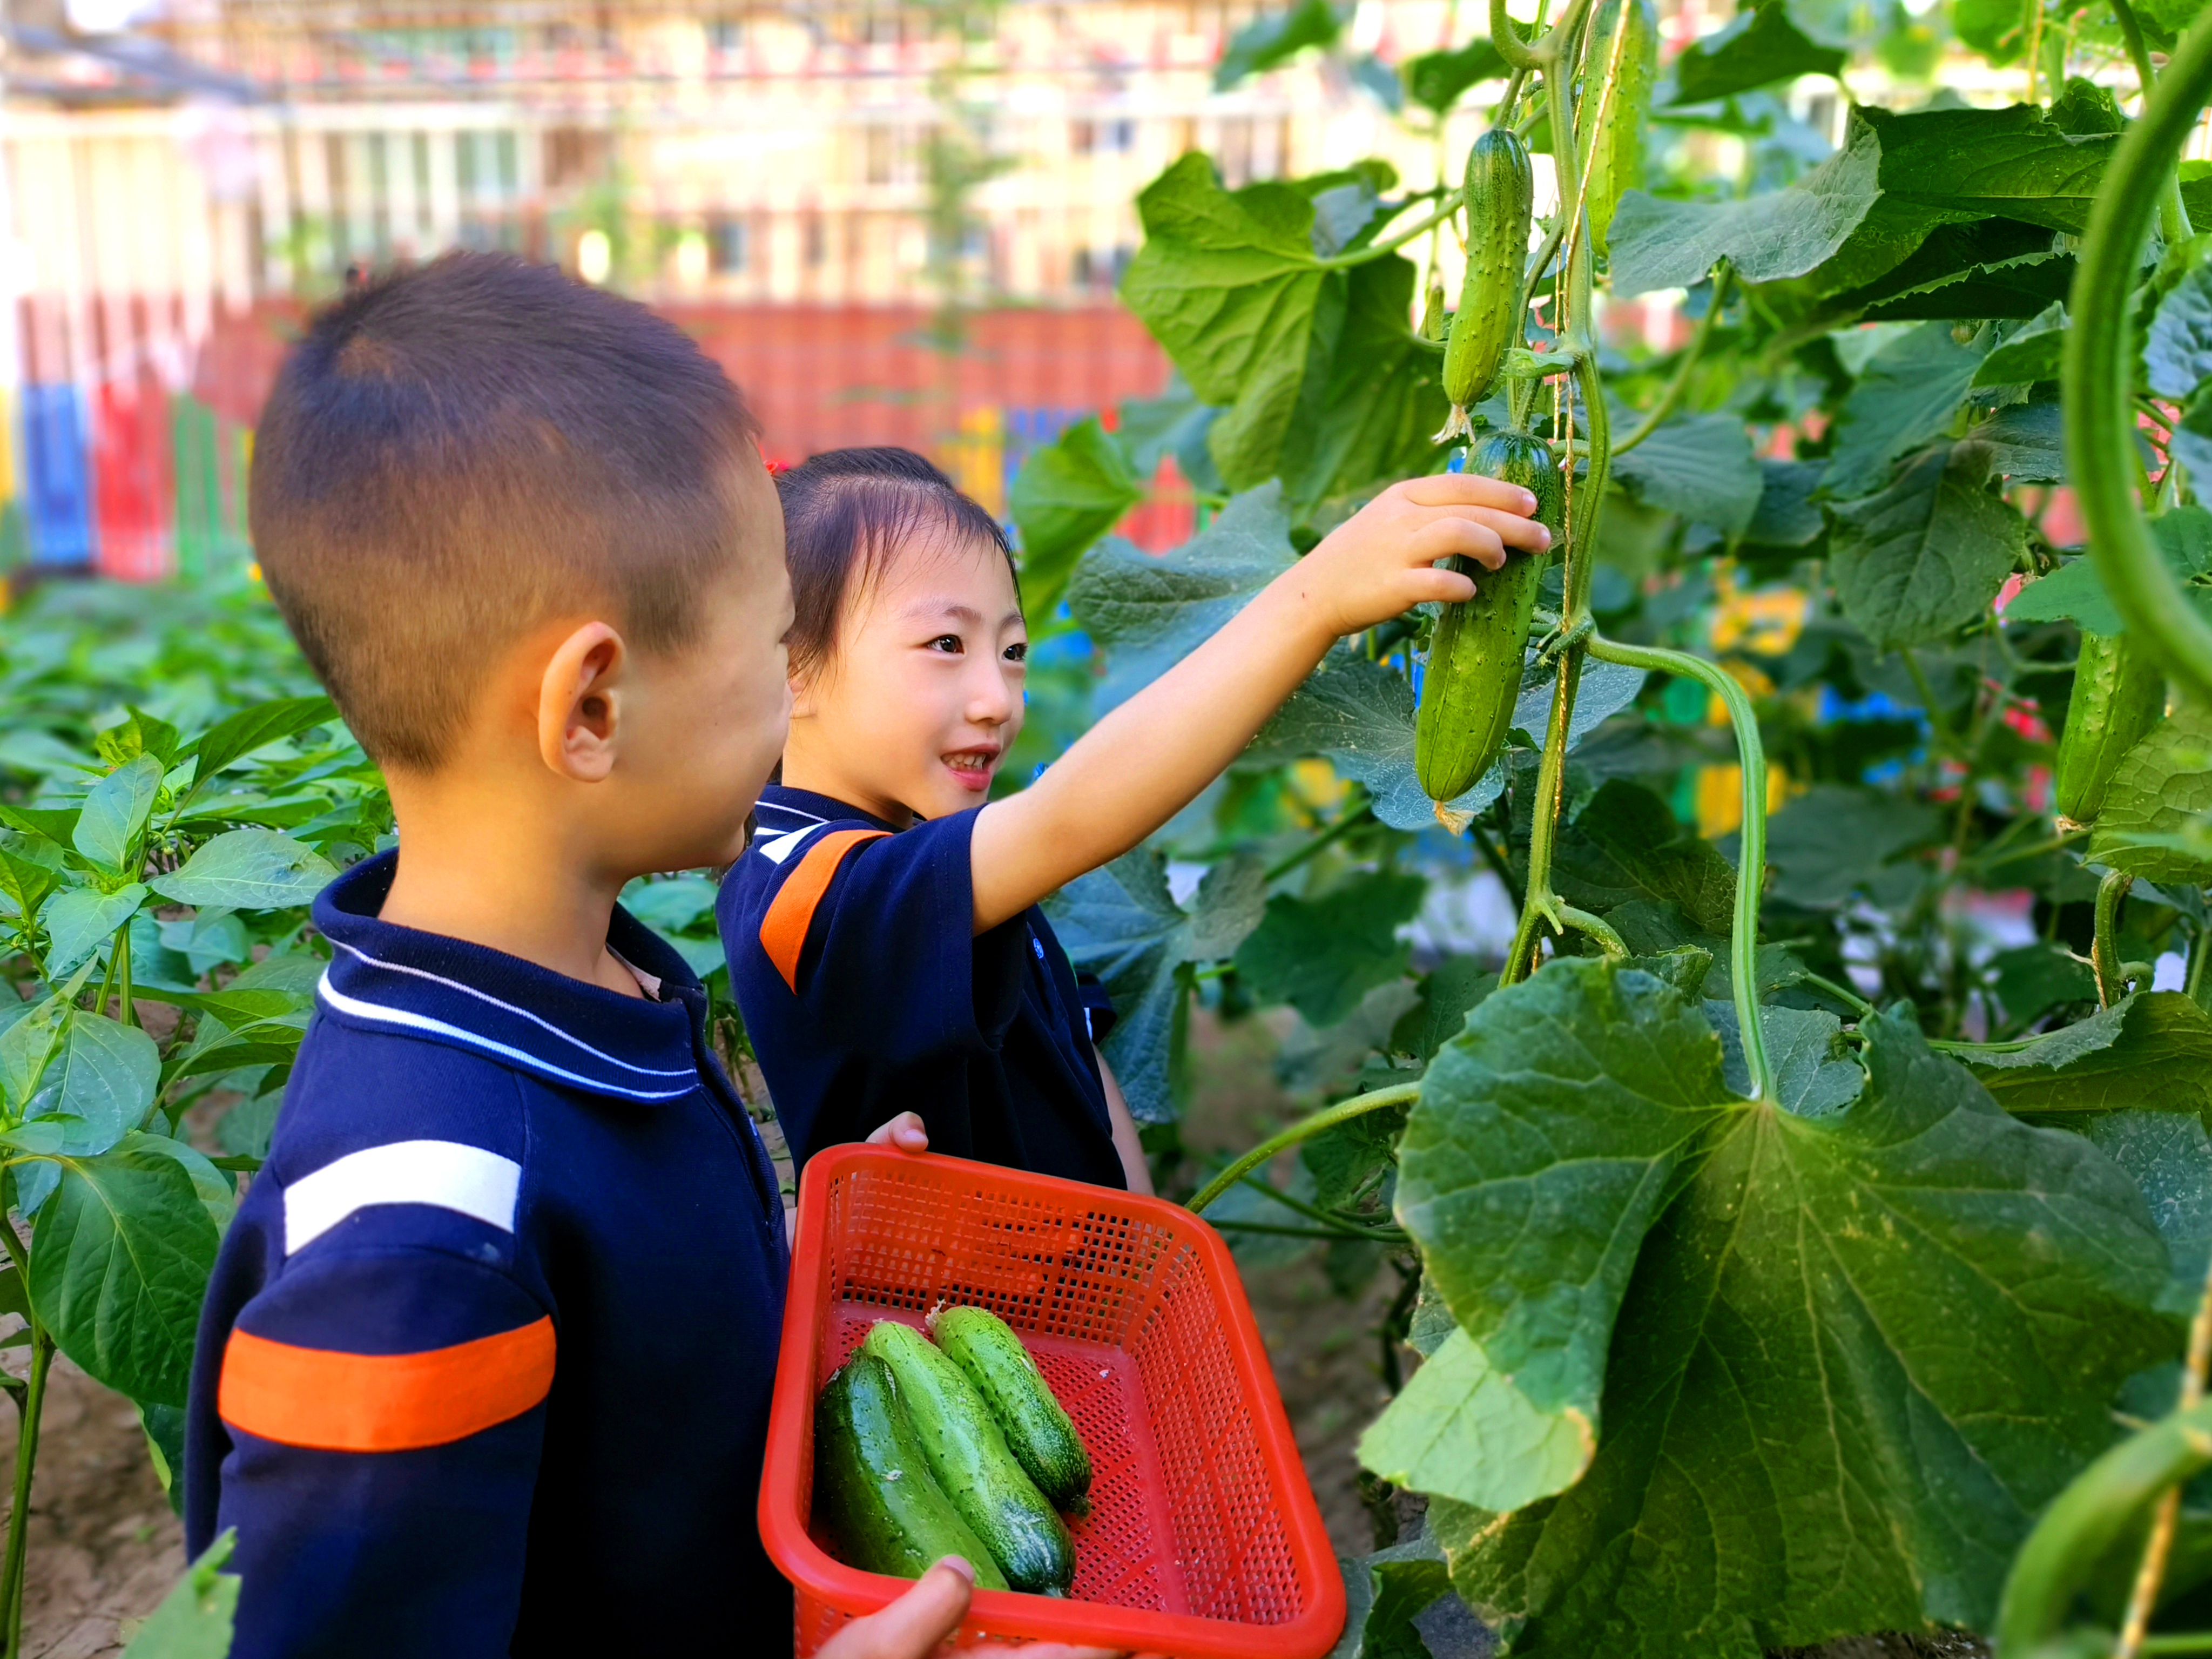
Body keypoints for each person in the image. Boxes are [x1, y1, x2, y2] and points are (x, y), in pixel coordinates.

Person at [181, 253, 1110, 1659]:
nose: (787, 696)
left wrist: (781, 1265)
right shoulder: (420, 1247)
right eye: (769, 645)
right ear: (596, 707)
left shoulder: (591, 995)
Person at [719, 446, 1546, 1190]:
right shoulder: (804, 887)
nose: (996, 699)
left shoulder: (933, 864)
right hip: (951, 1342)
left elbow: (1081, 1062)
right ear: (791, 670)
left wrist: (1137, 1269)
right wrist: (1313, 600)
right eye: (946, 644)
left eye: (1013, 653)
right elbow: (1067, 819)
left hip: (1072, 1328)